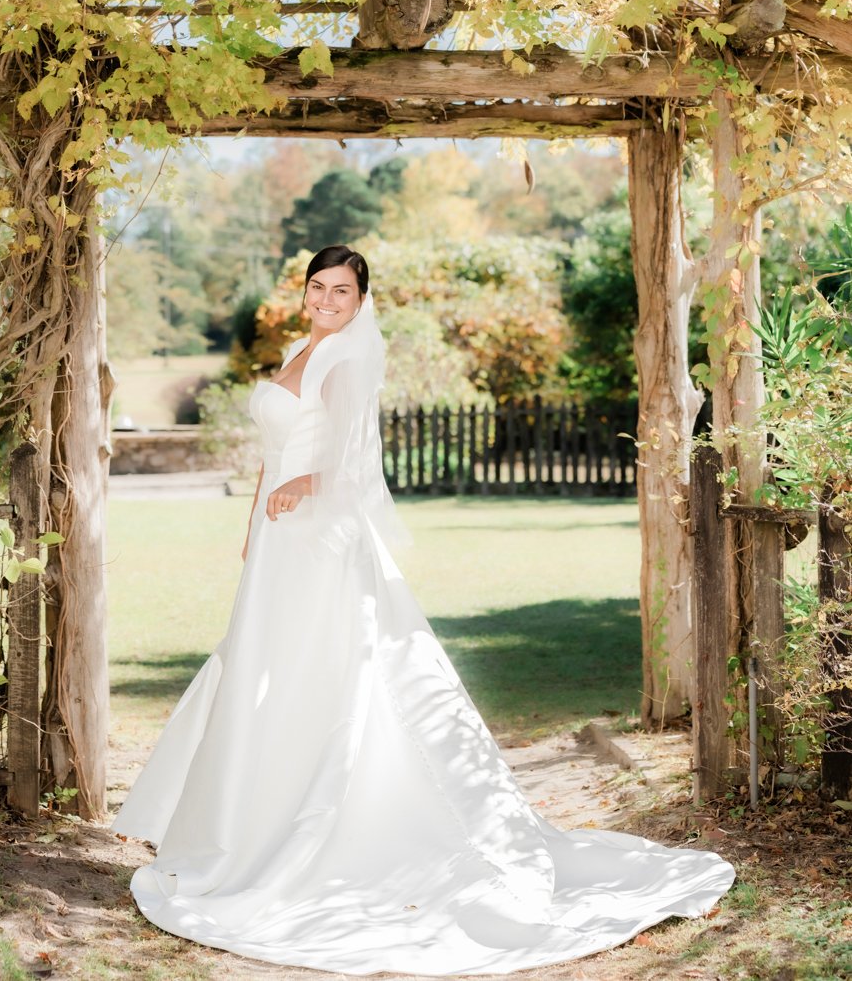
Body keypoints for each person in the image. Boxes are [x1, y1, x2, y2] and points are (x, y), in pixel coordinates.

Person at [112, 245, 735, 974]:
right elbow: (271, 454)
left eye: (342, 292)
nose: (327, 300)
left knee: (334, 670)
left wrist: (301, 487)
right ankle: (251, 824)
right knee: (264, 669)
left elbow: (350, 462)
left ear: (360, 300)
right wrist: (256, 521)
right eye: (318, 287)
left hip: (321, 538)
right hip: (278, 540)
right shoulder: (295, 353)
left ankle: (333, 826)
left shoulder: (347, 360)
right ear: (304, 291)